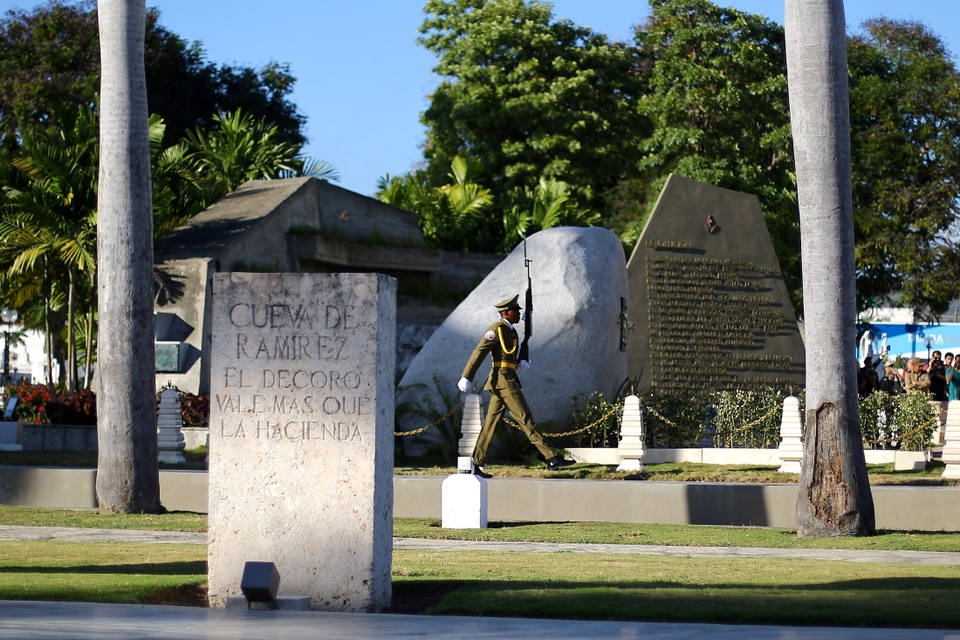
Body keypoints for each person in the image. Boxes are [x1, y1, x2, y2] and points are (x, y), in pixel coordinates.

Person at [457, 294, 574, 478]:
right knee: (525, 419)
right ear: (506, 313)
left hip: (507, 379)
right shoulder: (496, 330)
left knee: (490, 424)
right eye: (515, 311)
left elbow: (508, 355)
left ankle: (477, 463)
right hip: (504, 382)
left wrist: (520, 361)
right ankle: (551, 457)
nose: (518, 313)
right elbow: (479, 351)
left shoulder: (511, 331)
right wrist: (467, 376)